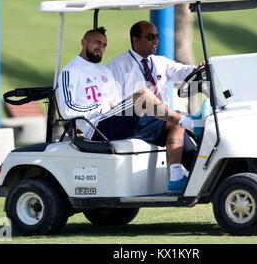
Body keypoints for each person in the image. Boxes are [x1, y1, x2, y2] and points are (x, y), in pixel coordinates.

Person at [57, 27, 197, 195]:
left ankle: (182, 179)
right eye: (97, 42)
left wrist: (114, 105)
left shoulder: (104, 71)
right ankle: (190, 123)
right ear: (83, 42)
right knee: (143, 94)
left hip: (114, 120)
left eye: (104, 45)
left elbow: (115, 101)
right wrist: (102, 106)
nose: (100, 47)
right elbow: (67, 109)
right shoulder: (70, 71)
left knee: (173, 122)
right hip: (95, 127)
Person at [107, 20, 202, 194]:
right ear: (135, 40)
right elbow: (114, 104)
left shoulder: (160, 62)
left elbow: (182, 72)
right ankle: (177, 180)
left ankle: (209, 179)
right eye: (150, 37)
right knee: (178, 122)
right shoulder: (117, 66)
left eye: (157, 37)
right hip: (133, 122)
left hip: (159, 121)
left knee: (193, 152)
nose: (155, 41)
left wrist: (197, 70)